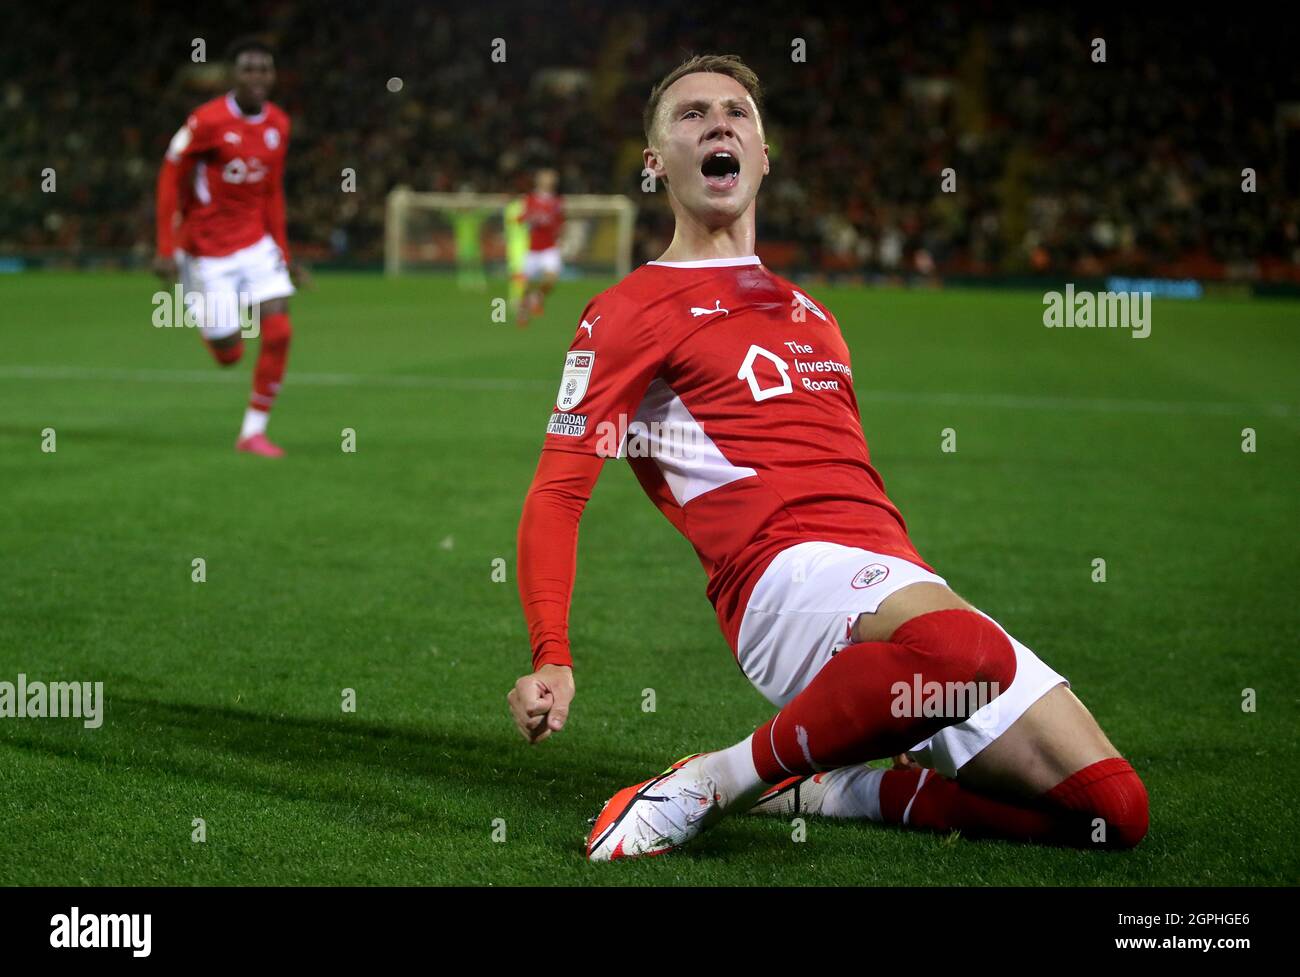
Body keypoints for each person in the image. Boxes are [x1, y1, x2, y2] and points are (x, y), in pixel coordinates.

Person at [507, 55, 1148, 861]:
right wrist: (551, 654)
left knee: (1111, 811)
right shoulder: (629, 311)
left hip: (897, 578)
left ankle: (847, 786)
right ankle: (715, 780)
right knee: (968, 654)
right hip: (777, 580)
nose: (718, 124)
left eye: (737, 112)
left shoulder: (813, 313)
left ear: (764, 155)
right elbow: (558, 493)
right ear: (653, 162)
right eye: (691, 114)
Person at [154, 36, 300, 457]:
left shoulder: (279, 125)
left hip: (256, 244)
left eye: (264, 69)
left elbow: (272, 191)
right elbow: (169, 177)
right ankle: (204, 313)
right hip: (206, 250)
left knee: (279, 331)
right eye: (248, 69)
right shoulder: (206, 121)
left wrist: (284, 254)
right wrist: (167, 246)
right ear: (234, 76)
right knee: (229, 355)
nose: (257, 77)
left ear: (273, 76)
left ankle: (253, 431)